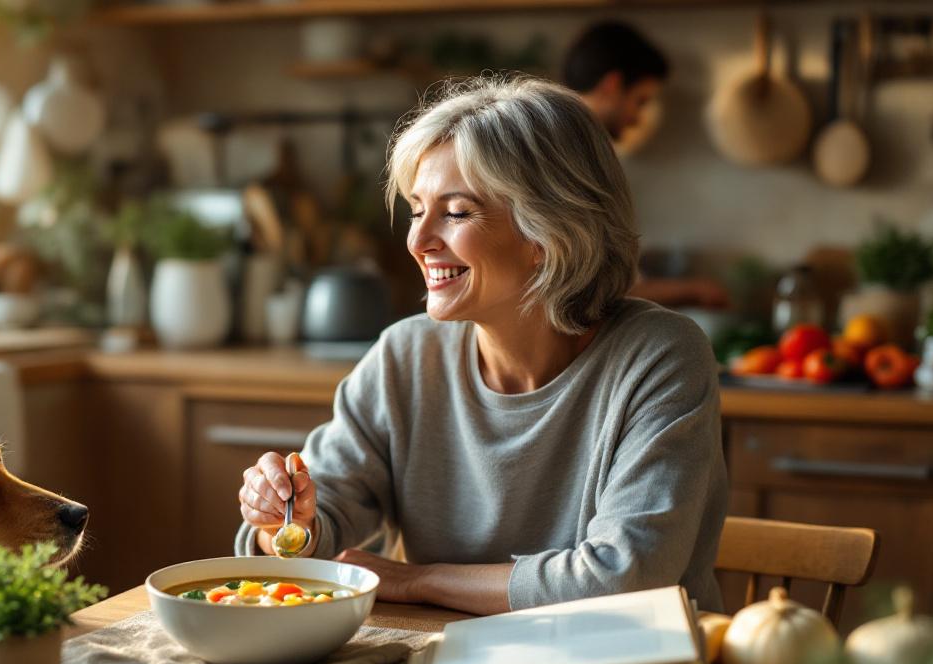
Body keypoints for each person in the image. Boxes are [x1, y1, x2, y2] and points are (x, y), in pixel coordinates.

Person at [234, 75, 727, 616]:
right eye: (418, 209)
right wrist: (288, 523)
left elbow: (625, 578)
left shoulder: (660, 357)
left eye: (456, 212)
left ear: (548, 233)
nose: (418, 242)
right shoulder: (404, 357)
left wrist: (422, 580)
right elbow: (314, 537)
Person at [562, 20, 728, 309]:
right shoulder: (570, 157)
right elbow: (587, 290)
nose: (638, 119)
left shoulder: (569, 145)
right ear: (613, 85)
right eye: (640, 101)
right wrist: (690, 290)